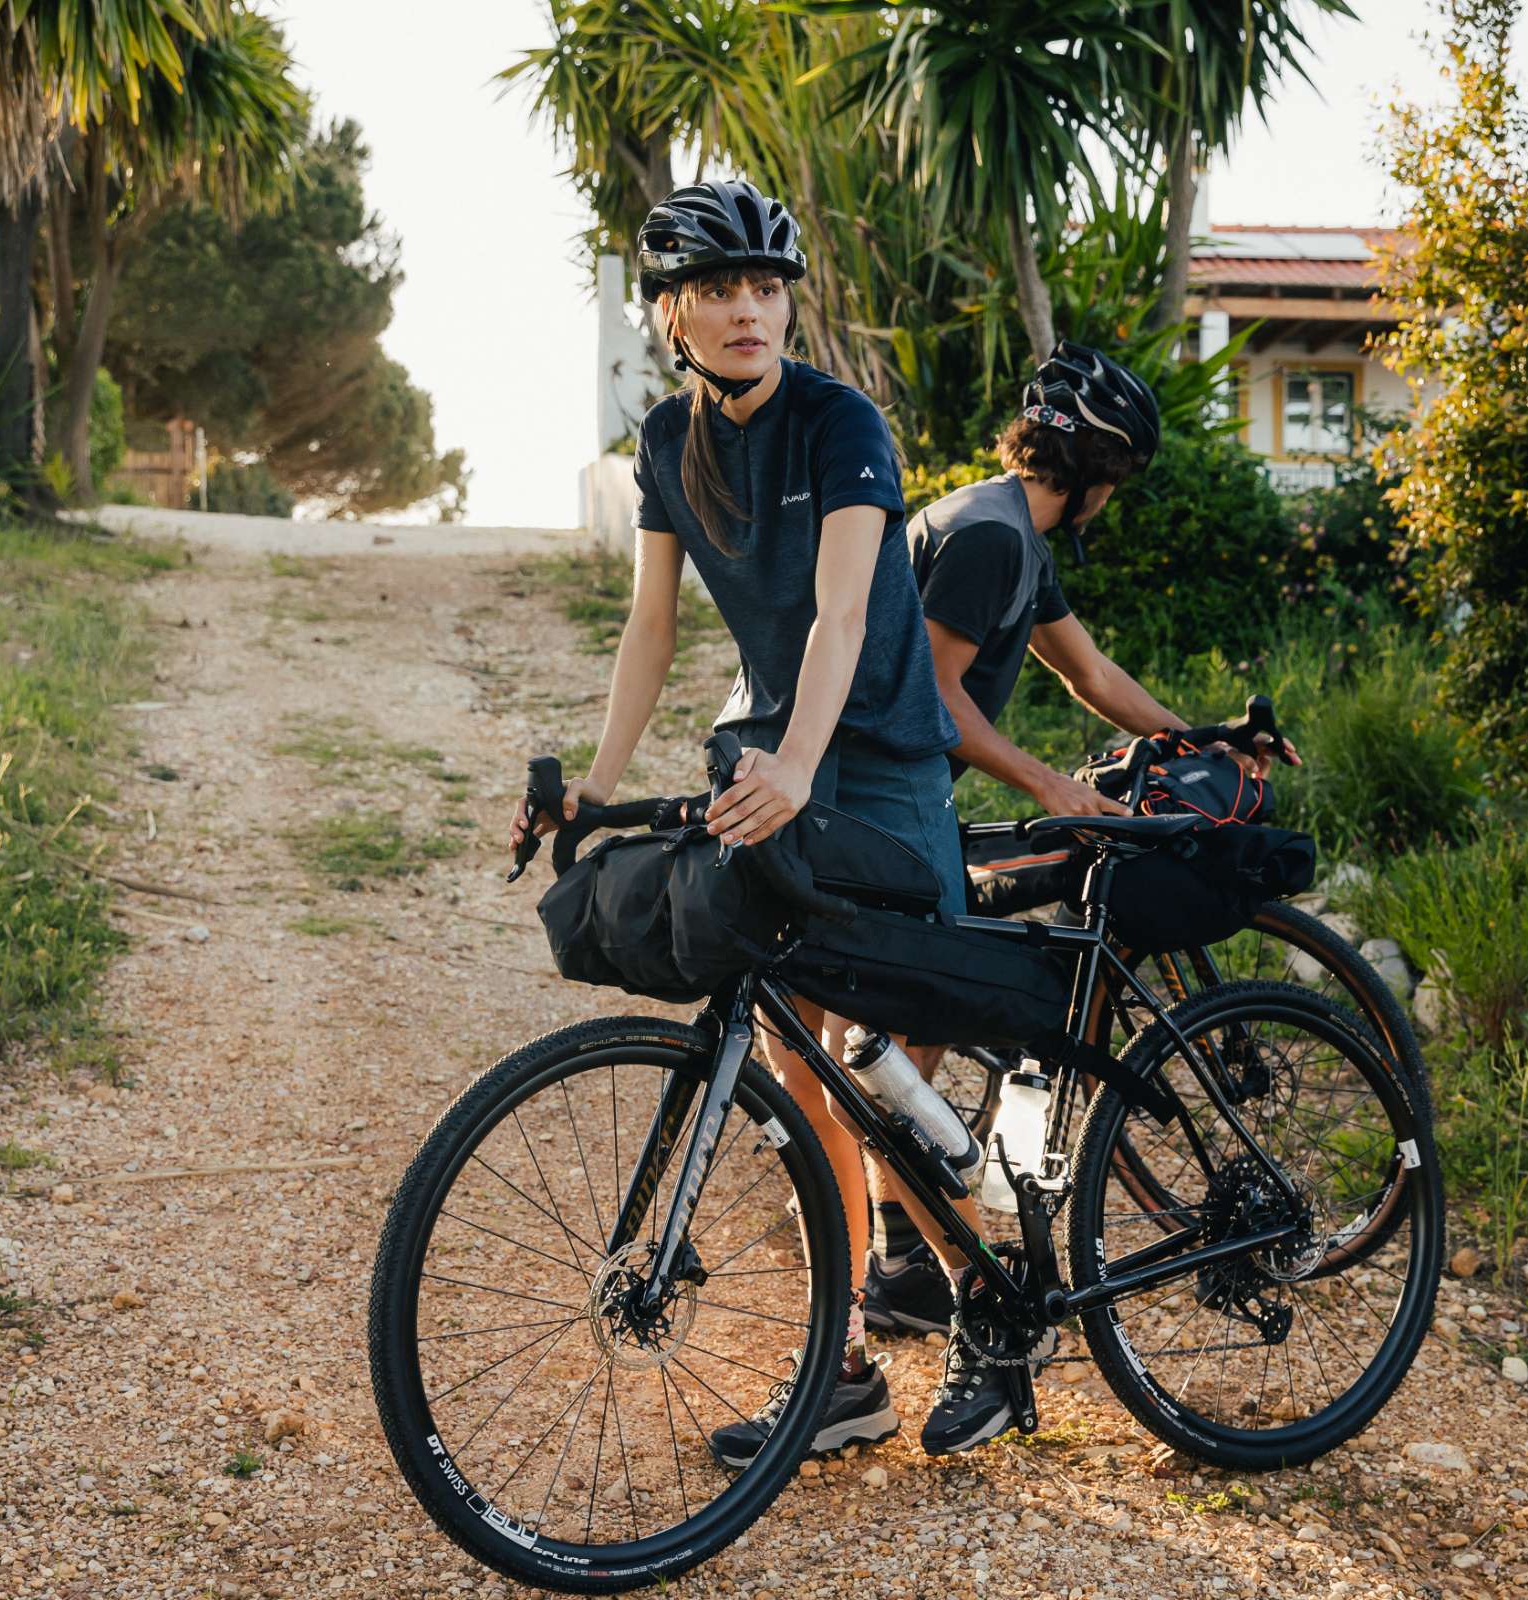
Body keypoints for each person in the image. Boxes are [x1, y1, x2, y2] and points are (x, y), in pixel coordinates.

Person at [510, 177, 1027, 1466]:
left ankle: (997, 1292)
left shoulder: (842, 425)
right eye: (718, 290)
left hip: (882, 760)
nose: (749, 309)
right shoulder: (666, 448)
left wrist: (800, 763)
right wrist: (596, 773)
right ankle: (844, 1367)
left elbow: (843, 615)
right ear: (673, 314)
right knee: (801, 1065)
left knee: (878, 1054)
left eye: (767, 287)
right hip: (776, 756)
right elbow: (652, 622)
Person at [857, 342, 1299, 1332]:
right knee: (918, 1014)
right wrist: (1051, 780)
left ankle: (899, 1258)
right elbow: (934, 697)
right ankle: (899, 1262)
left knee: (918, 1024)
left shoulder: (1012, 530)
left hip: (897, 795)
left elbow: (1090, 675)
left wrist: (1202, 735)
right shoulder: (991, 539)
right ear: (1102, 473)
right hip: (881, 799)